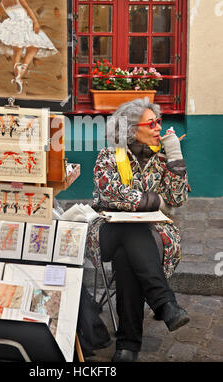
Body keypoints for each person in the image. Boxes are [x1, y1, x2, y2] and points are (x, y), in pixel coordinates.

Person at [86, 97, 190, 362]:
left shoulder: (164, 157)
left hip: (150, 235)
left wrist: (176, 158)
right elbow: (110, 193)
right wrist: (154, 200)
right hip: (108, 231)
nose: (158, 127)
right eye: (152, 123)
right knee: (131, 232)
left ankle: (127, 346)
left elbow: (177, 199)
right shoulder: (109, 156)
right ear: (132, 129)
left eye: (159, 122)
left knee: (127, 255)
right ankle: (164, 302)